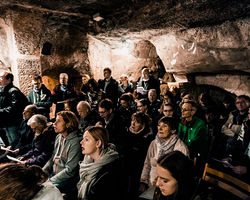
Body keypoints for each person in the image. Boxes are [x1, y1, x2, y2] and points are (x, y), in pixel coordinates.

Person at [140, 117, 189, 200]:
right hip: (151, 185)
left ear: (173, 130)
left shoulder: (180, 148)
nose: (160, 128)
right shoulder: (153, 143)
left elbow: (182, 177)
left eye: (165, 126)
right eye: (159, 125)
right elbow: (147, 164)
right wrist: (143, 182)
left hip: (168, 191)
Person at [77, 126, 127, 200]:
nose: (81, 142)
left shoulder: (111, 171)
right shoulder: (87, 162)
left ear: (98, 143)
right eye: (83, 139)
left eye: (86, 140)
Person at [43, 111, 82, 194]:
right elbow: (52, 158)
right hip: (55, 175)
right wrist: (42, 172)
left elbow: (70, 171)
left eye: (59, 121)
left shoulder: (76, 141)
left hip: (68, 179)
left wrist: (49, 181)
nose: (54, 123)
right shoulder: (58, 137)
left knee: (44, 191)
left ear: (68, 124)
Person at [116, 112, 154, 200]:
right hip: (122, 170)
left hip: (135, 174)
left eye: (136, 122)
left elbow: (142, 158)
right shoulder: (126, 132)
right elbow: (117, 145)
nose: (132, 124)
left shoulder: (147, 139)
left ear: (143, 125)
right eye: (132, 121)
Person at [178, 100, 208, 173]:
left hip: (195, 158)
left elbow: (194, 144)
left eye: (185, 110)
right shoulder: (182, 123)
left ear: (193, 112)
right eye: (182, 109)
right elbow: (178, 138)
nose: (182, 111)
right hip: (182, 153)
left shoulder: (201, 125)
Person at [0, 70, 28, 143]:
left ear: (8, 80)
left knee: (15, 143)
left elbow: (15, 107)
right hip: (7, 122)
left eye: (1, 77)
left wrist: (1, 111)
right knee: (10, 144)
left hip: (14, 122)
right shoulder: (4, 91)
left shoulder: (13, 91)